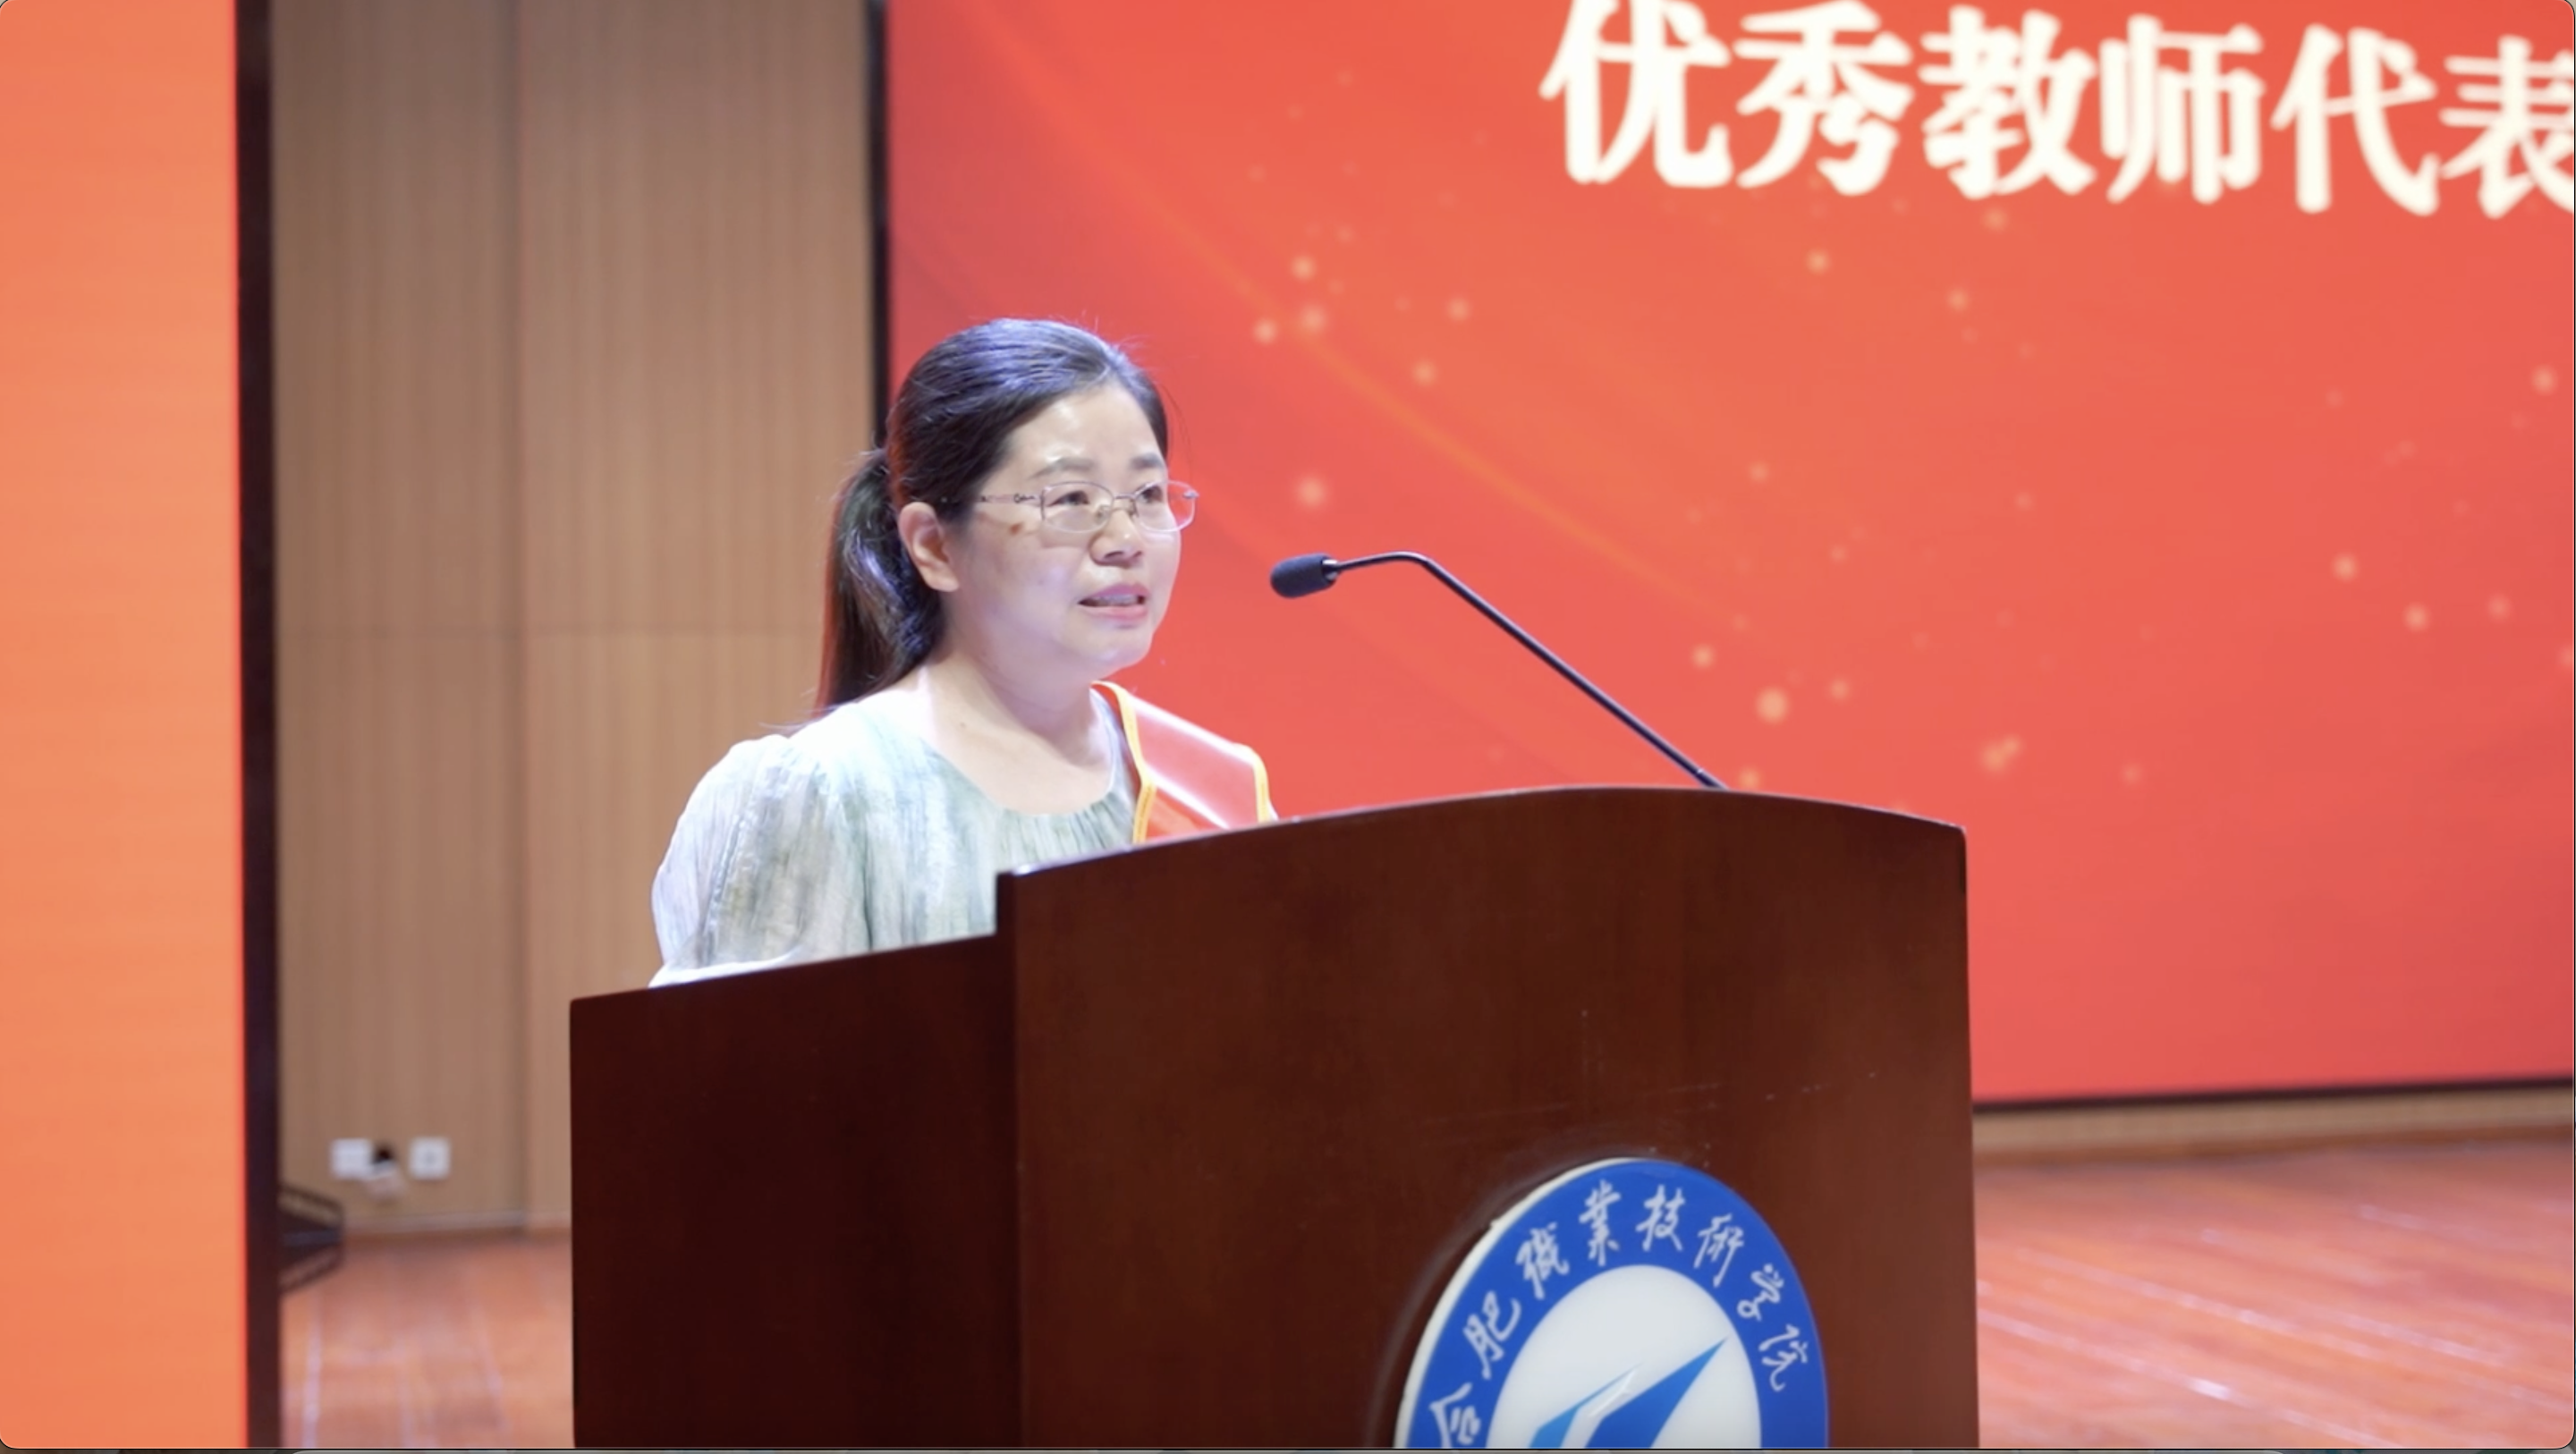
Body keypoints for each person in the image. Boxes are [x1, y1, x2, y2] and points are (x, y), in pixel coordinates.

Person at [648, 319, 1273, 986]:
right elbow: (745, 1053)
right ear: (934, 545)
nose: (1126, 539)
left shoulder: (1211, 789)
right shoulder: (827, 788)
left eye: (1147, 496)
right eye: (1071, 499)